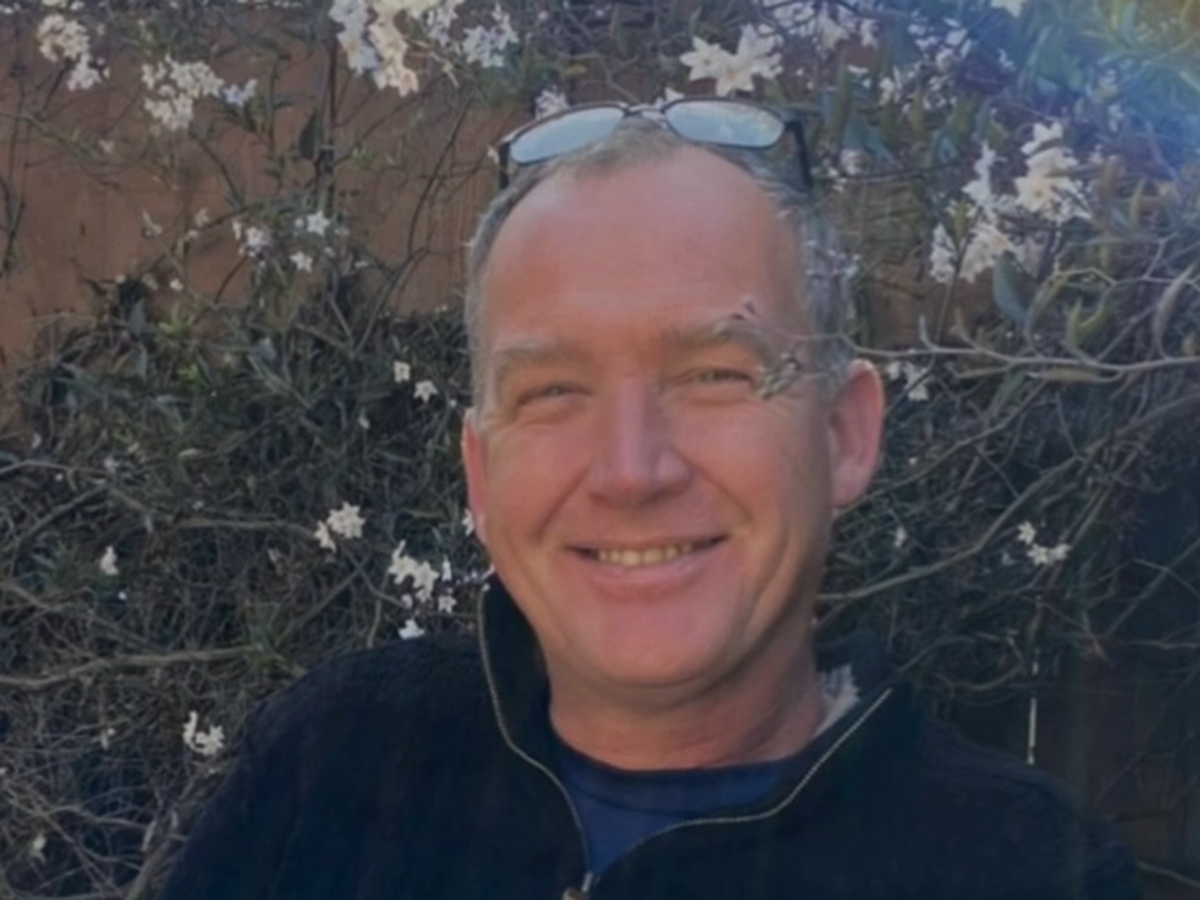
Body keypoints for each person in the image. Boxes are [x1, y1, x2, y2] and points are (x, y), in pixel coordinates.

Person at [157, 98, 1141, 900]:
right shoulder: (335, 763)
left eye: (714, 376)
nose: (632, 470)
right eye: (553, 392)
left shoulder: (1023, 871)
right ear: (482, 476)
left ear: (845, 434)